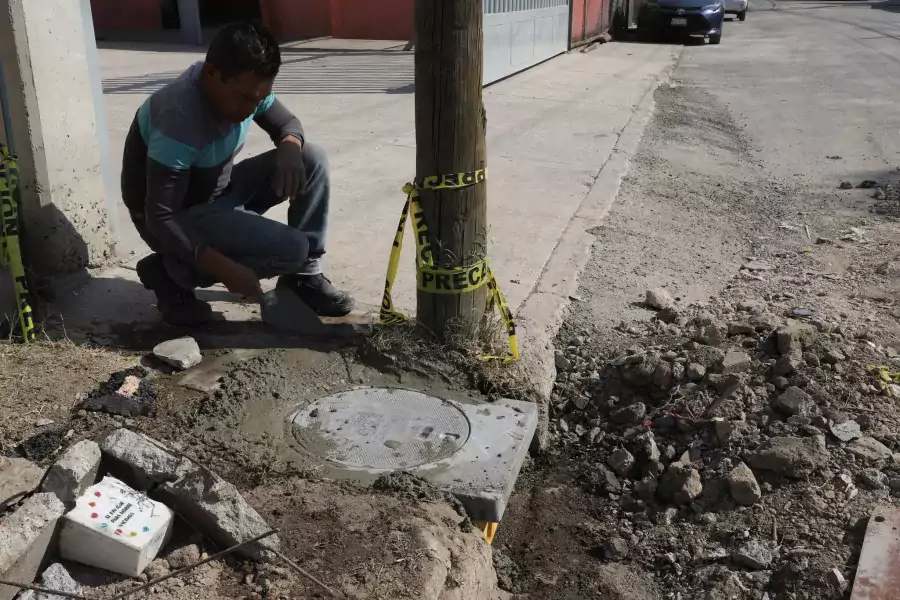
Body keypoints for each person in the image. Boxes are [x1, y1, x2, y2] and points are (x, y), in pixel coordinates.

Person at [121, 21, 354, 326]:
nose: (252, 108)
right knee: (292, 249)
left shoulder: (245, 87)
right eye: (245, 98)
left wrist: (289, 144)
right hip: (177, 217)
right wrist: (226, 270)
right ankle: (169, 273)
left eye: (260, 99)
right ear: (211, 74)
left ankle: (303, 279)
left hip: (218, 192)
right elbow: (161, 216)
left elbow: (288, 123)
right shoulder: (178, 118)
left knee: (310, 158)